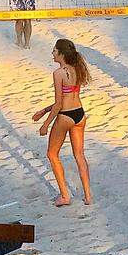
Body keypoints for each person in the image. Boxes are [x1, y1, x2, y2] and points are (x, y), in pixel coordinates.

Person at [32, 38, 93, 207]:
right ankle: (88, 196)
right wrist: (44, 110)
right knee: (79, 155)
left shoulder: (58, 73)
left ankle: (65, 196)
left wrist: (46, 124)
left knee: (52, 154)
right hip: (79, 114)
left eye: (54, 51)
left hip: (65, 116)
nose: (52, 54)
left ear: (61, 53)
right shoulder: (77, 69)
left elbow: (59, 104)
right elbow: (67, 97)